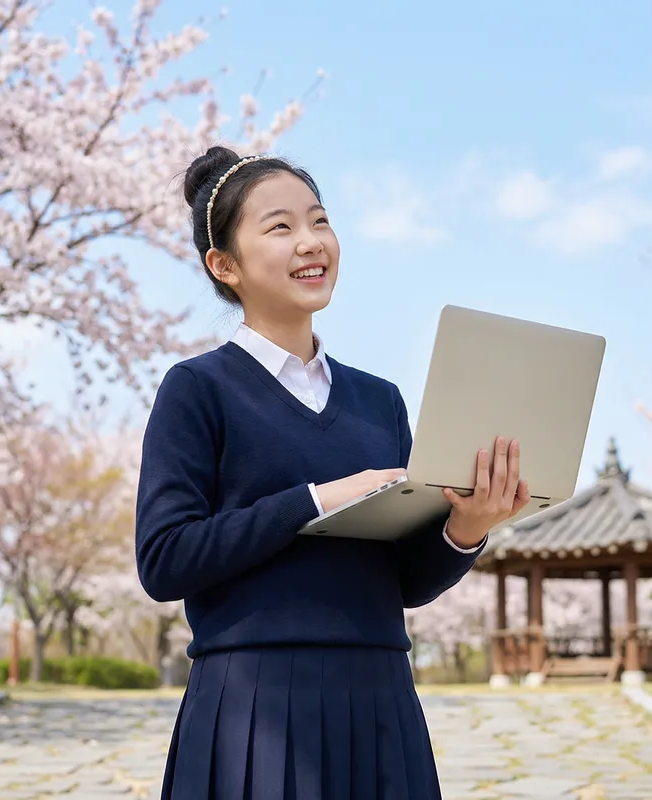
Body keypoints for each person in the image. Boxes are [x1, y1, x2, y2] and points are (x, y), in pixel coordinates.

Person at [135, 147, 531, 800]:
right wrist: (316, 501)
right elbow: (164, 559)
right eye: (281, 227)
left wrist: (467, 528)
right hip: (253, 704)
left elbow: (403, 581)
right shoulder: (197, 390)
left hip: (380, 697)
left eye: (319, 221)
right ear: (223, 264)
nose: (310, 242)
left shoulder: (381, 401)